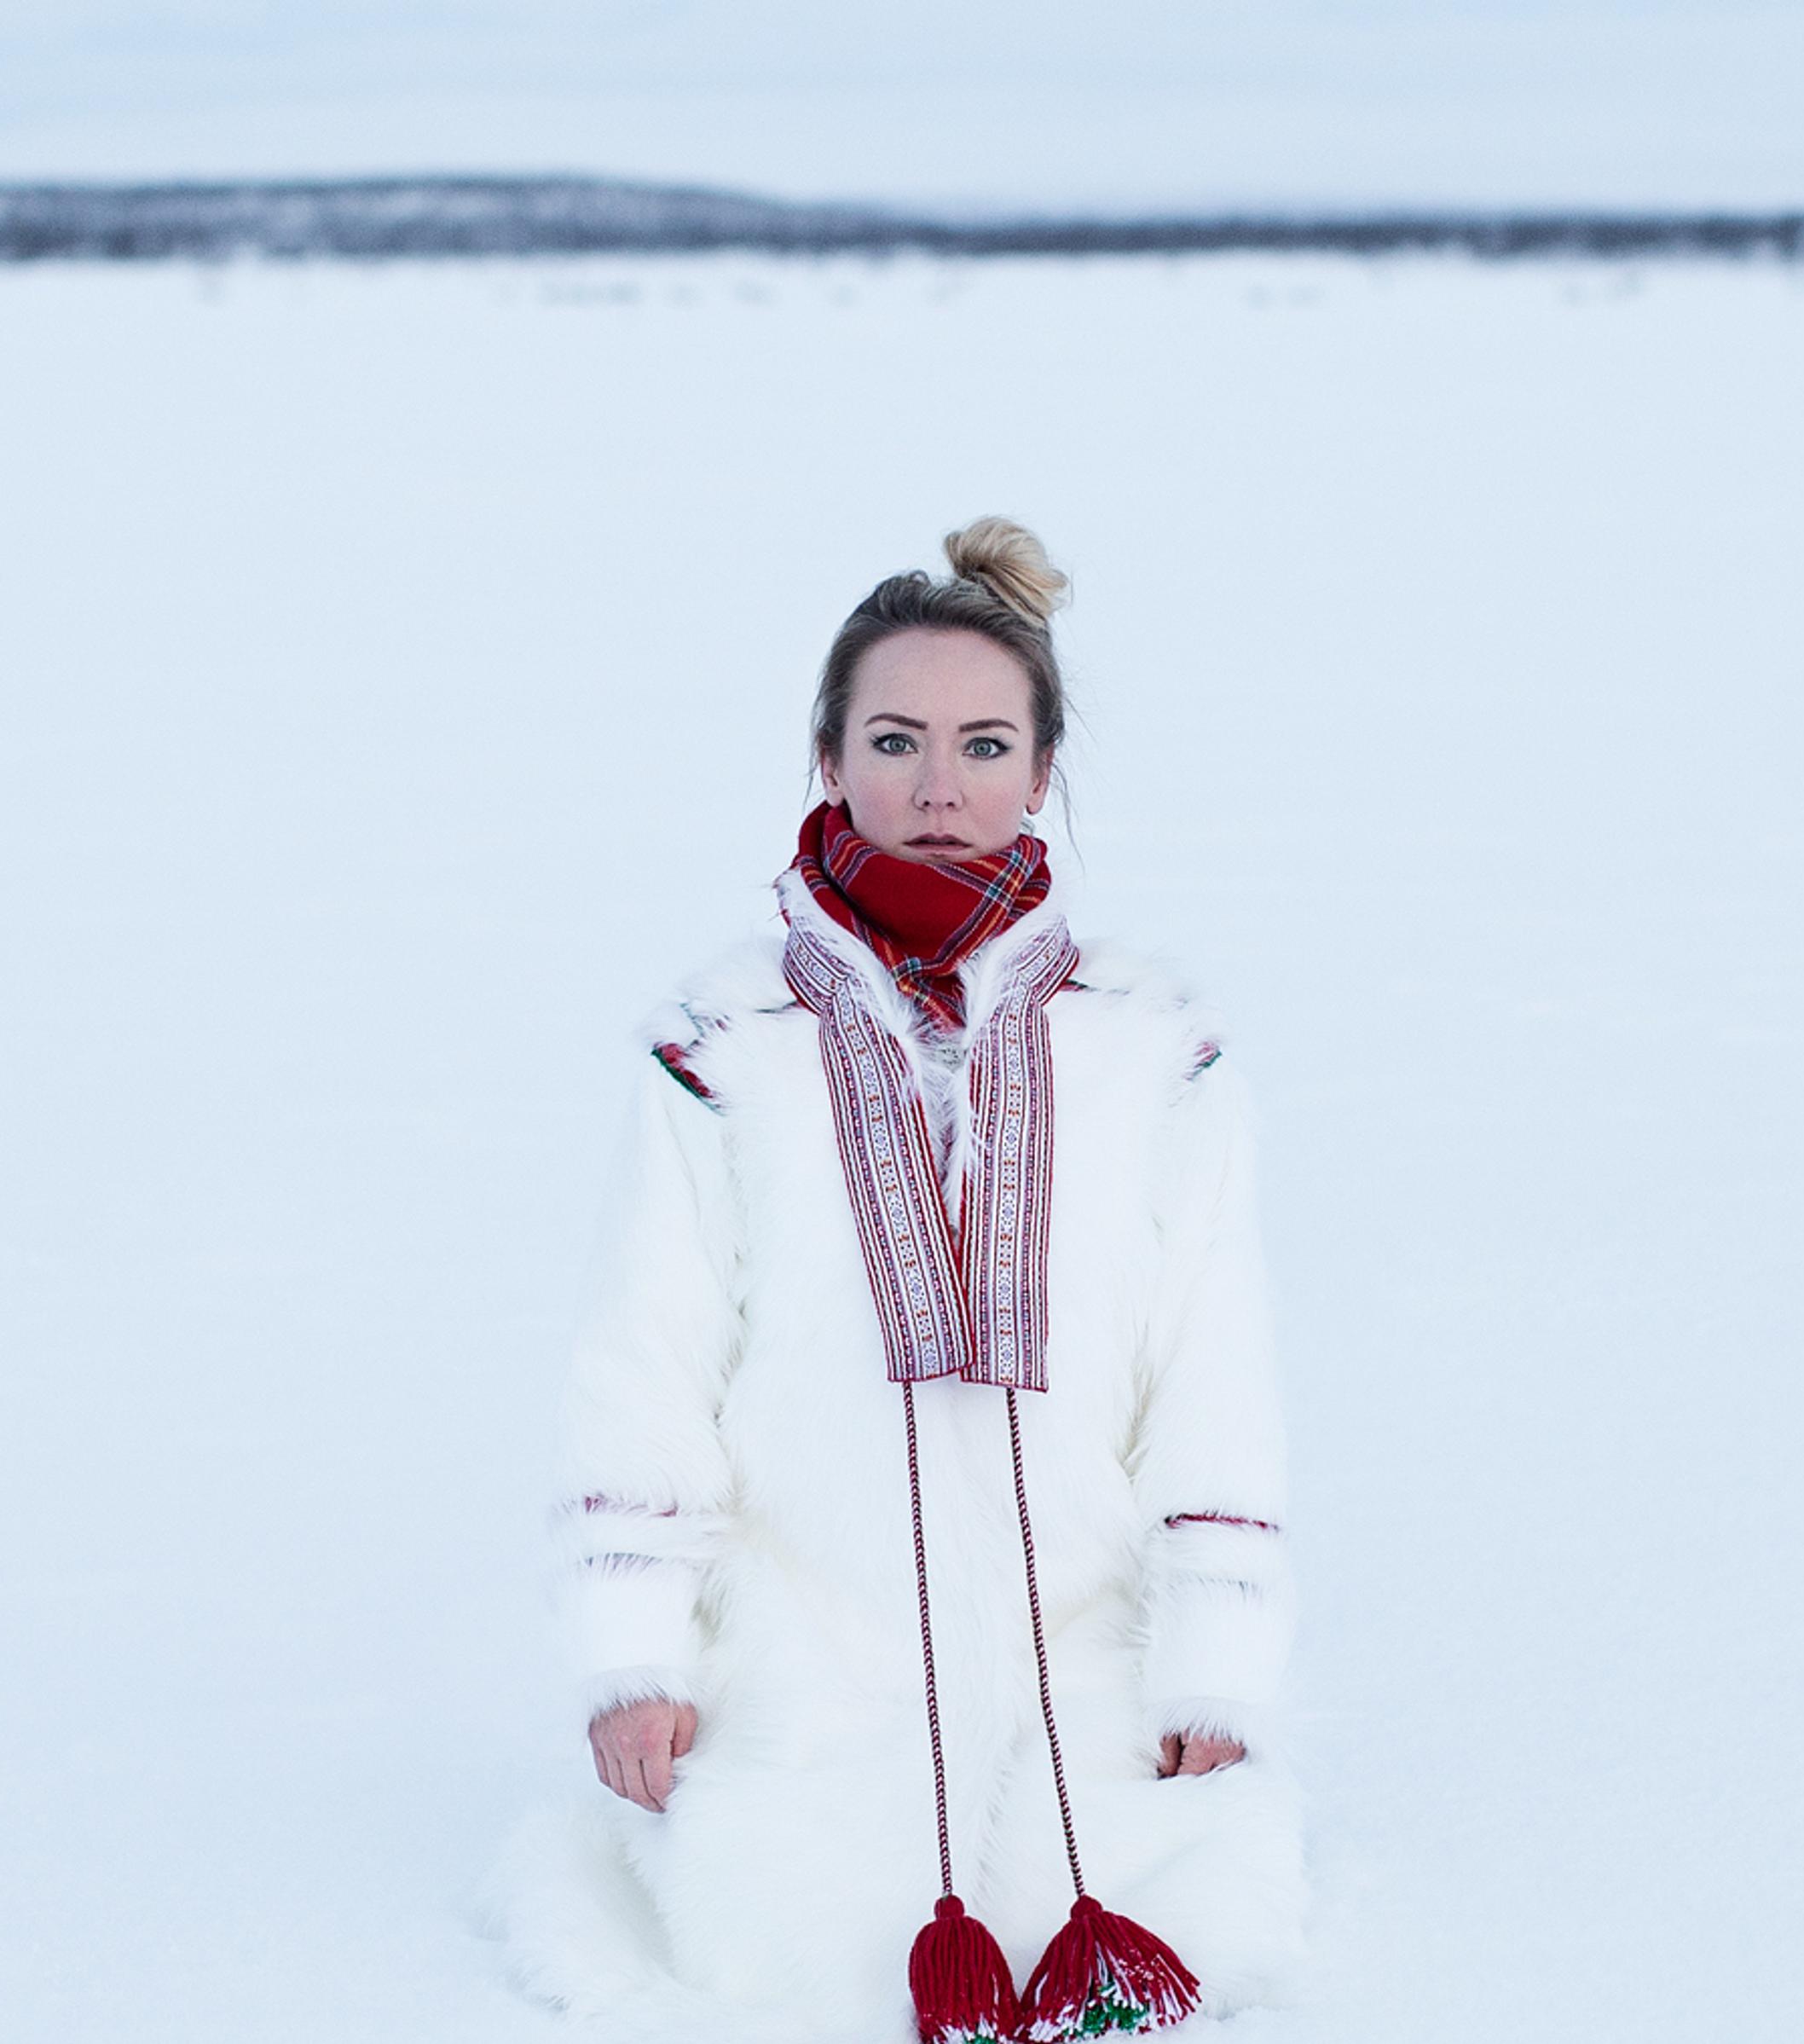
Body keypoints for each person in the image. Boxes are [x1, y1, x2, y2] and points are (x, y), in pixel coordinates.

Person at [487, 519, 1305, 2042]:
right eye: (897, 740)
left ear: (1044, 769)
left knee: (1185, 1931)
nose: (942, 788)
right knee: (796, 1974)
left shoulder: (1155, 1047)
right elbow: (646, 1357)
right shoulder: (723, 1045)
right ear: (827, 753)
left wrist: (1215, 1655)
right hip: (809, 1660)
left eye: (987, 743)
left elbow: (1213, 1363)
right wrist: (636, 1652)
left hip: (1091, 1664)